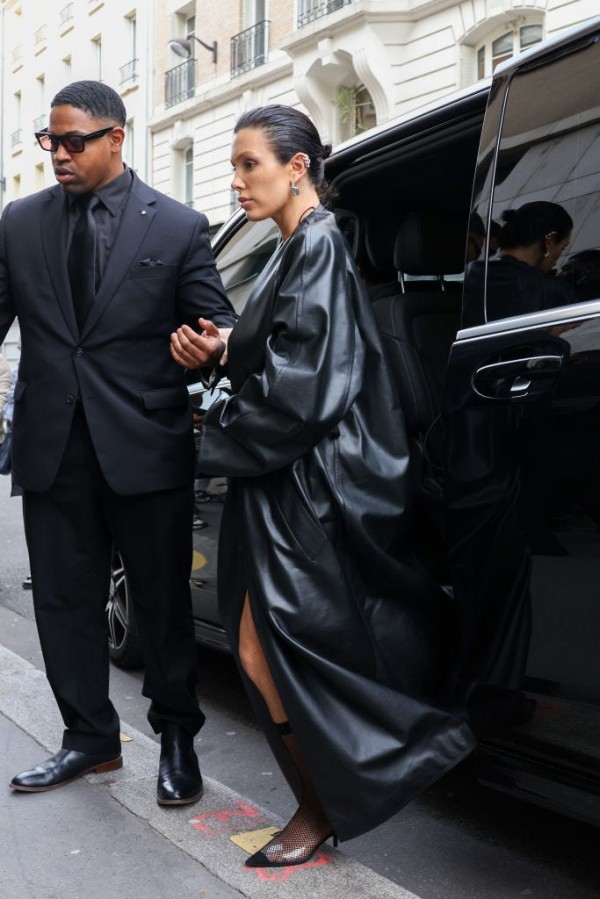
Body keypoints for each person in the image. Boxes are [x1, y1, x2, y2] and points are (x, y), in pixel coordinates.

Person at [171, 104, 475, 868]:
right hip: (281, 483)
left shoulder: (319, 246)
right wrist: (224, 354)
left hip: (303, 487)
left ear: (296, 166)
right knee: (259, 650)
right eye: (234, 166)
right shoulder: (293, 249)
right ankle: (324, 801)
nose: (237, 180)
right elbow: (287, 360)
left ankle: (322, 805)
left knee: (272, 651)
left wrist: (211, 413)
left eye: (250, 164)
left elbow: (302, 392)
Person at [0, 81, 237, 801]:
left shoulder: (176, 225)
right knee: (65, 603)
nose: (59, 154)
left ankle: (176, 741)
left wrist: (213, 343)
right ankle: (90, 740)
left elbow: (215, 319)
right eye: (51, 141)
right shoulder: (19, 221)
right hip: (52, 445)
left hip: (145, 444)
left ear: (116, 138)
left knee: (163, 603)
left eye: (73, 141)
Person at [462, 201, 574, 326]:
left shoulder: (468, 276)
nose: (558, 258)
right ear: (550, 240)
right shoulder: (551, 292)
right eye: (563, 248)